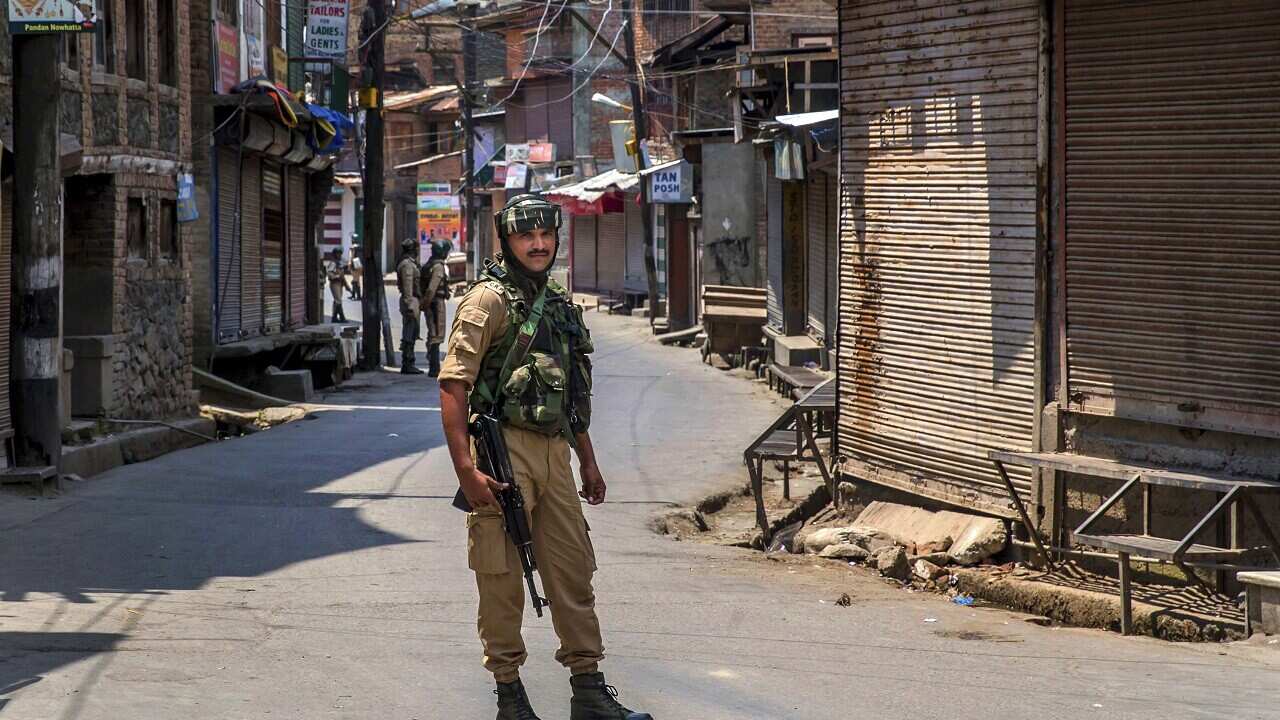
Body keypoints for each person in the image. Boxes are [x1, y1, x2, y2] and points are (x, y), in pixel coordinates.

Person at [438, 194, 651, 720]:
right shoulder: (485, 302)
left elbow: (573, 393)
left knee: (572, 571)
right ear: (507, 243)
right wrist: (467, 470)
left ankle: (589, 689)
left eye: (545, 235)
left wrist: (589, 460)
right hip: (501, 451)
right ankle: (509, 695)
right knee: (502, 576)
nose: (537, 245)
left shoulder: (557, 302)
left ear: (556, 238)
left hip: (557, 453)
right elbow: (453, 385)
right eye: (524, 237)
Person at [420, 239, 451, 377]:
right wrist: (426, 304)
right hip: (436, 303)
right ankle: (434, 367)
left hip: (433, 303)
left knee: (433, 334)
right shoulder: (438, 267)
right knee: (436, 336)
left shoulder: (430, 264)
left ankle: (433, 364)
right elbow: (432, 289)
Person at [396, 238, 425, 375]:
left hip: (413, 300)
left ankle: (409, 362)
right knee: (409, 333)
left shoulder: (410, 263)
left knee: (412, 332)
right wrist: (409, 305)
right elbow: (408, 286)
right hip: (411, 300)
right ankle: (407, 363)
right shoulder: (407, 265)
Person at [325, 248, 350, 323]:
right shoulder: (333, 263)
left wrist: (346, 285)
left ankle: (334, 317)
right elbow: (329, 274)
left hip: (340, 283)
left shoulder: (339, 262)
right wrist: (337, 276)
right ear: (335, 254)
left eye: (340, 253)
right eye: (338, 253)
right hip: (334, 283)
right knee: (338, 300)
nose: (339, 255)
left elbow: (342, 275)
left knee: (336, 301)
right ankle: (342, 317)